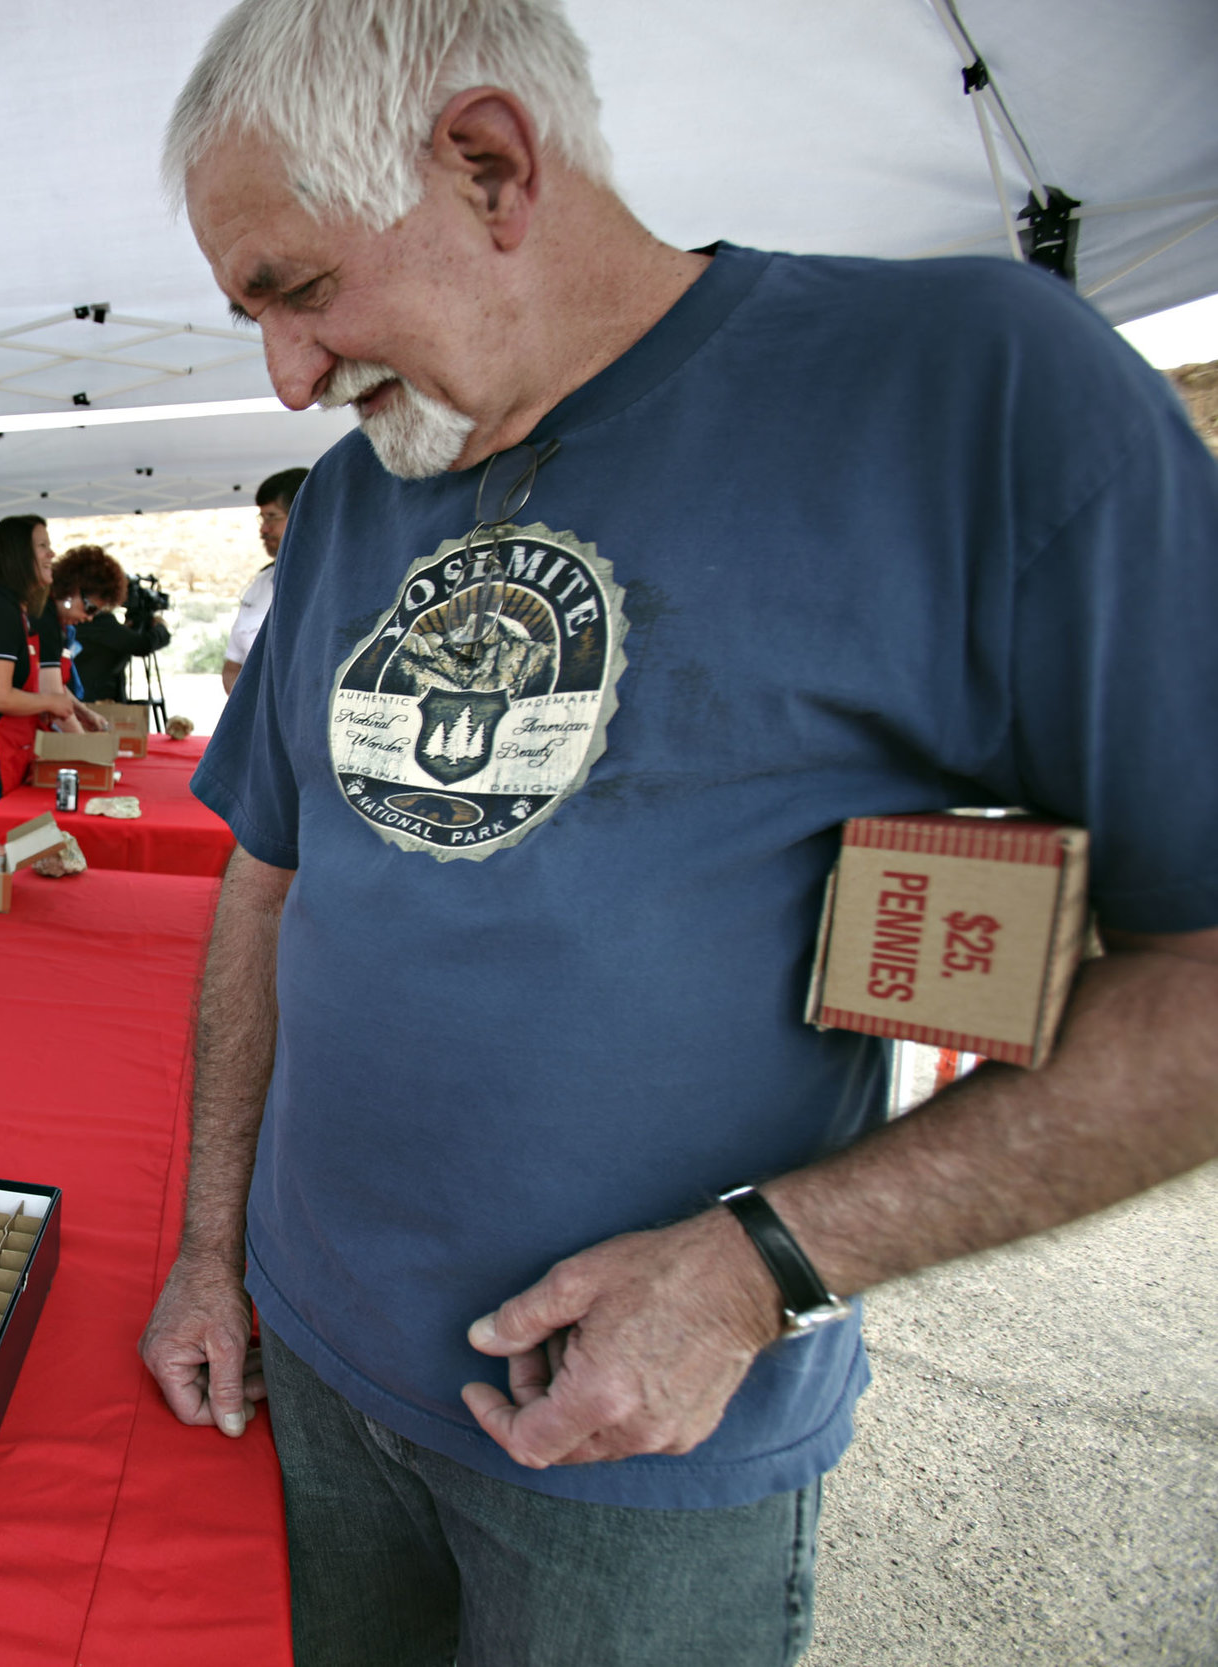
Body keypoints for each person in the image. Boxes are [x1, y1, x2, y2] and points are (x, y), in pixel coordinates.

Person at [139, 3, 1218, 1664]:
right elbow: (269, 884)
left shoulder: (971, 389)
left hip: (637, 1457)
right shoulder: (364, 487)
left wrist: (763, 1264)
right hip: (316, 1370)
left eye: (300, 291)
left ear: (492, 167)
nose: (286, 381)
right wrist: (212, 1251)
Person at [0, 515, 101, 840]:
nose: (51, 554)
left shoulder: (16, 612)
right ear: (16, 556)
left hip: (3, 751)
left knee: (0, 854)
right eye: (42, 546)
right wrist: (52, 702)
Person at [220, 466, 307, 693]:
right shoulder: (260, 584)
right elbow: (232, 665)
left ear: (303, 515)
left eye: (272, 517)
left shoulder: (332, 586)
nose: (264, 529)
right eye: (262, 517)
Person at [51, 543, 171, 706]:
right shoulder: (100, 623)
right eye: (90, 608)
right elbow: (143, 645)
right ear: (73, 589)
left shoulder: (76, 624)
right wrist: (160, 627)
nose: (89, 617)